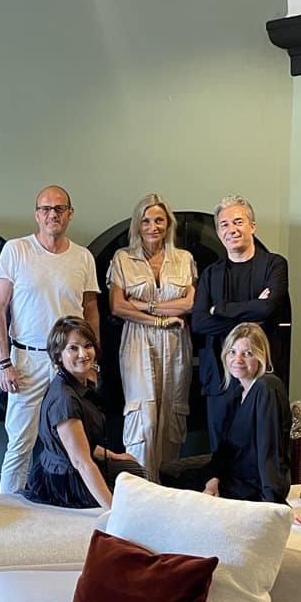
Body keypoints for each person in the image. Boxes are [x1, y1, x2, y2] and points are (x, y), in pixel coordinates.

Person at [0, 186, 100, 493]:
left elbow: (91, 311)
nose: (53, 214)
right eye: (46, 209)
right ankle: (8, 510)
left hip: (71, 361)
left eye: (60, 208)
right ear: (37, 215)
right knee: (19, 444)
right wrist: (4, 363)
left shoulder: (83, 257)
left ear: (70, 214)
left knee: (75, 444)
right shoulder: (16, 250)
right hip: (26, 360)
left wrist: (92, 363)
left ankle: (71, 505)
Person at [107, 193, 197, 481]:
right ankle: (140, 487)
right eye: (146, 221)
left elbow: (189, 304)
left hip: (176, 341)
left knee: (172, 415)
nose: (152, 227)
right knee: (142, 420)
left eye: (159, 220)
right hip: (137, 341)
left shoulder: (184, 259)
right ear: (137, 224)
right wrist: (159, 319)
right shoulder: (123, 258)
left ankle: (167, 489)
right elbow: (118, 306)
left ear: (168, 223)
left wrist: (145, 305)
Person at [191, 195, 291, 450]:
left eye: (238, 222)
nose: (231, 230)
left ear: (252, 226)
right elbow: (200, 322)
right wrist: (251, 314)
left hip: (261, 377)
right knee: (221, 455)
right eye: (224, 225)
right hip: (219, 379)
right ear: (218, 232)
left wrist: (220, 309)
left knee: (262, 449)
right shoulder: (210, 274)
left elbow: (267, 308)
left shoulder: (274, 265)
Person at [24, 317, 147, 509]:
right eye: (73, 348)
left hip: (70, 468)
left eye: (87, 345)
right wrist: (114, 511)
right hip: (65, 481)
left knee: (135, 471)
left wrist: (115, 456)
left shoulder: (77, 384)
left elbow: (84, 443)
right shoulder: (65, 400)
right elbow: (80, 461)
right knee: (137, 491)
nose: (83, 354)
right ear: (58, 355)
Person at [202, 322, 291, 503]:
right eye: (232, 352)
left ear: (261, 356)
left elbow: (270, 452)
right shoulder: (236, 395)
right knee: (167, 477)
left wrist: (273, 506)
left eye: (248, 353)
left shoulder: (267, 387)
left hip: (253, 490)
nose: (238, 359)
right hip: (230, 481)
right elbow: (223, 453)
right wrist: (212, 482)